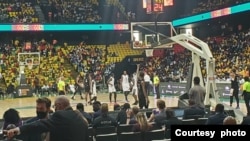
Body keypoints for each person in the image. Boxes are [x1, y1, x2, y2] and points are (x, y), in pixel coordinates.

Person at [4, 96, 89, 141]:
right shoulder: (80, 118)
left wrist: (17, 130)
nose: (54, 109)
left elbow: (41, 124)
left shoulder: (60, 115)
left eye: (55, 106)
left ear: (59, 105)